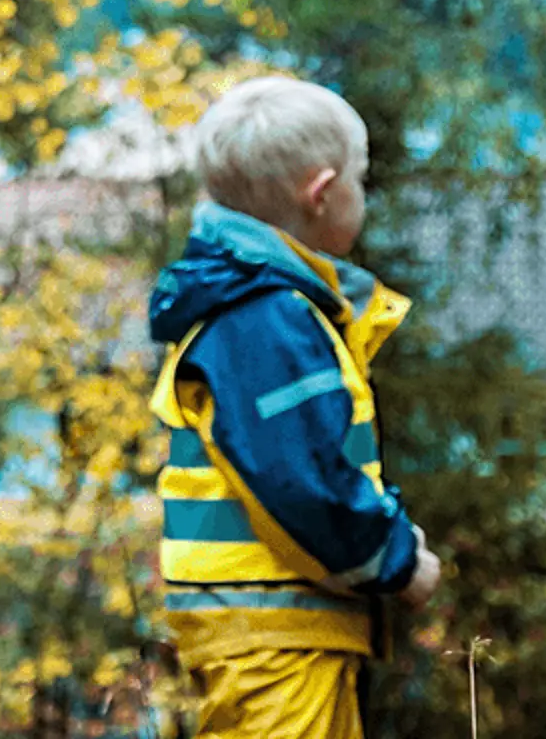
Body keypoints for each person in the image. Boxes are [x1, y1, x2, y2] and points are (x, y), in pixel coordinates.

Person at [145, 77, 446, 739]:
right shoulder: (268, 318)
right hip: (274, 639)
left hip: (271, 632)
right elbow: (303, 482)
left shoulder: (256, 307)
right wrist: (397, 559)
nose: (361, 197)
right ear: (322, 192)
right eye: (359, 182)